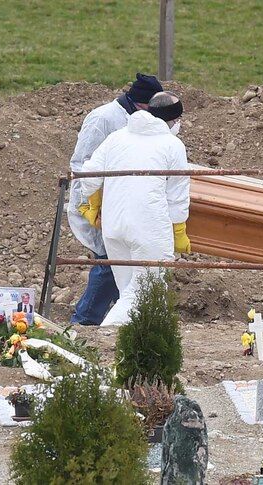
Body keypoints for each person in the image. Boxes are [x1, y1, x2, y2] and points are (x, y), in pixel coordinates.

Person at [79, 91, 191, 326]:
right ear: (171, 120)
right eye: (178, 120)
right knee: (144, 291)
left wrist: (93, 205)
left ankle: (147, 340)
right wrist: (179, 231)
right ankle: (107, 333)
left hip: (113, 228)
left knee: (129, 290)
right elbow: (177, 195)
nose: (179, 125)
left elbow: (88, 177)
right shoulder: (172, 145)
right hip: (148, 228)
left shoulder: (117, 138)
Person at [68, 73, 164, 325]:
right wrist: (89, 206)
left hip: (125, 205)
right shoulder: (103, 119)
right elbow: (81, 164)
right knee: (108, 264)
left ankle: (109, 319)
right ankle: (84, 322)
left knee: (119, 265)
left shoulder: (138, 121)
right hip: (98, 204)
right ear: (141, 103)